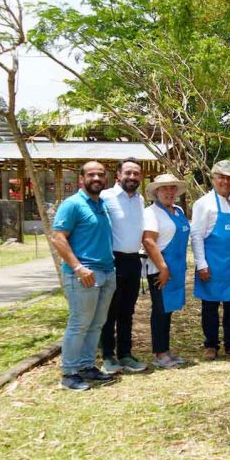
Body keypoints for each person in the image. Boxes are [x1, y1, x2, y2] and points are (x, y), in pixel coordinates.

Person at [50, 161, 119, 391]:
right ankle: (69, 373)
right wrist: (78, 267)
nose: (97, 178)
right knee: (80, 323)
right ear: (81, 178)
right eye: (92, 174)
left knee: (97, 323)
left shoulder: (101, 204)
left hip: (107, 273)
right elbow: (58, 237)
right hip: (84, 275)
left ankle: (87, 366)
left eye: (101, 174)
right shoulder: (73, 205)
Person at [191, 159, 230, 360]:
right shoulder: (203, 204)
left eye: (229, 178)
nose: (225, 181)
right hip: (212, 263)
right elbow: (196, 235)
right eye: (221, 177)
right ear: (213, 179)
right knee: (210, 306)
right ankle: (211, 345)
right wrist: (202, 264)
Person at [99, 158, 147, 375]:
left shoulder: (140, 199)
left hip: (133, 261)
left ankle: (125, 354)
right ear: (118, 175)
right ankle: (108, 356)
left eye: (136, 173)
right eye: (128, 173)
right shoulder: (105, 197)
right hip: (113, 260)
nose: (132, 177)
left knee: (128, 311)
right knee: (109, 311)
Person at [142, 173, 191, 369]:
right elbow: (148, 241)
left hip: (176, 268)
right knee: (160, 310)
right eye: (164, 188)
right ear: (156, 192)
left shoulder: (178, 211)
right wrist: (163, 268)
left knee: (168, 310)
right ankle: (159, 353)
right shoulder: (151, 213)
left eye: (172, 188)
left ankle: (166, 350)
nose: (169, 192)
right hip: (160, 269)